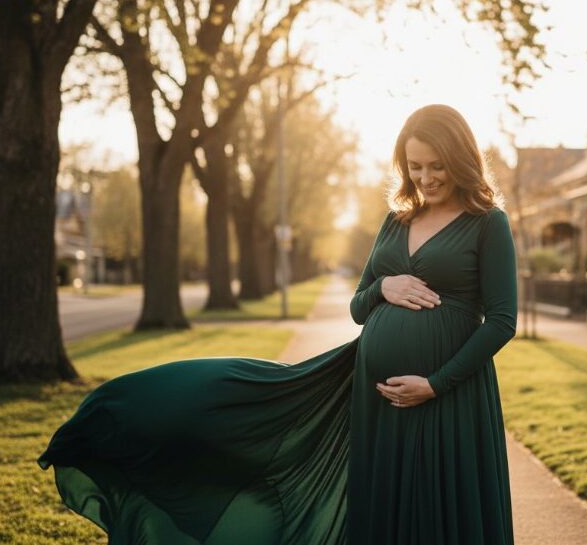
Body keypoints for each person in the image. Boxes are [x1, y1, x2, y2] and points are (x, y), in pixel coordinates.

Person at [38, 103, 518, 545]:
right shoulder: (396, 220)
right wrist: (383, 288)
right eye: (415, 166)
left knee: (441, 505)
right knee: (386, 504)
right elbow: (357, 306)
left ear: (460, 158)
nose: (426, 177)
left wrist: (435, 384)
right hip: (378, 404)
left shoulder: (486, 222)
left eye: (437, 166)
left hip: (450, 397)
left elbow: (501, 321)